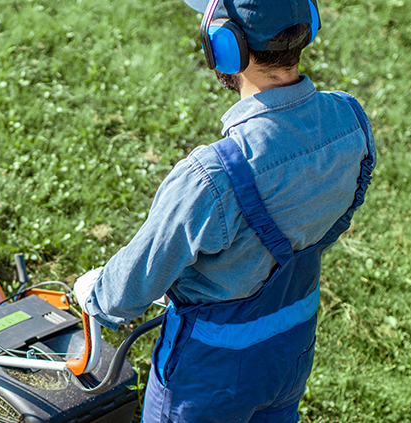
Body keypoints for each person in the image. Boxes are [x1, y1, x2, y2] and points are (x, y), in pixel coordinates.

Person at [72, 0, 375, 421]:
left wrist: (97, 295)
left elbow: (131, 287)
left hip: (210, 376)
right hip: (292, 347)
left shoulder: (211, 176)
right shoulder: (351, 121)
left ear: (225, 46)